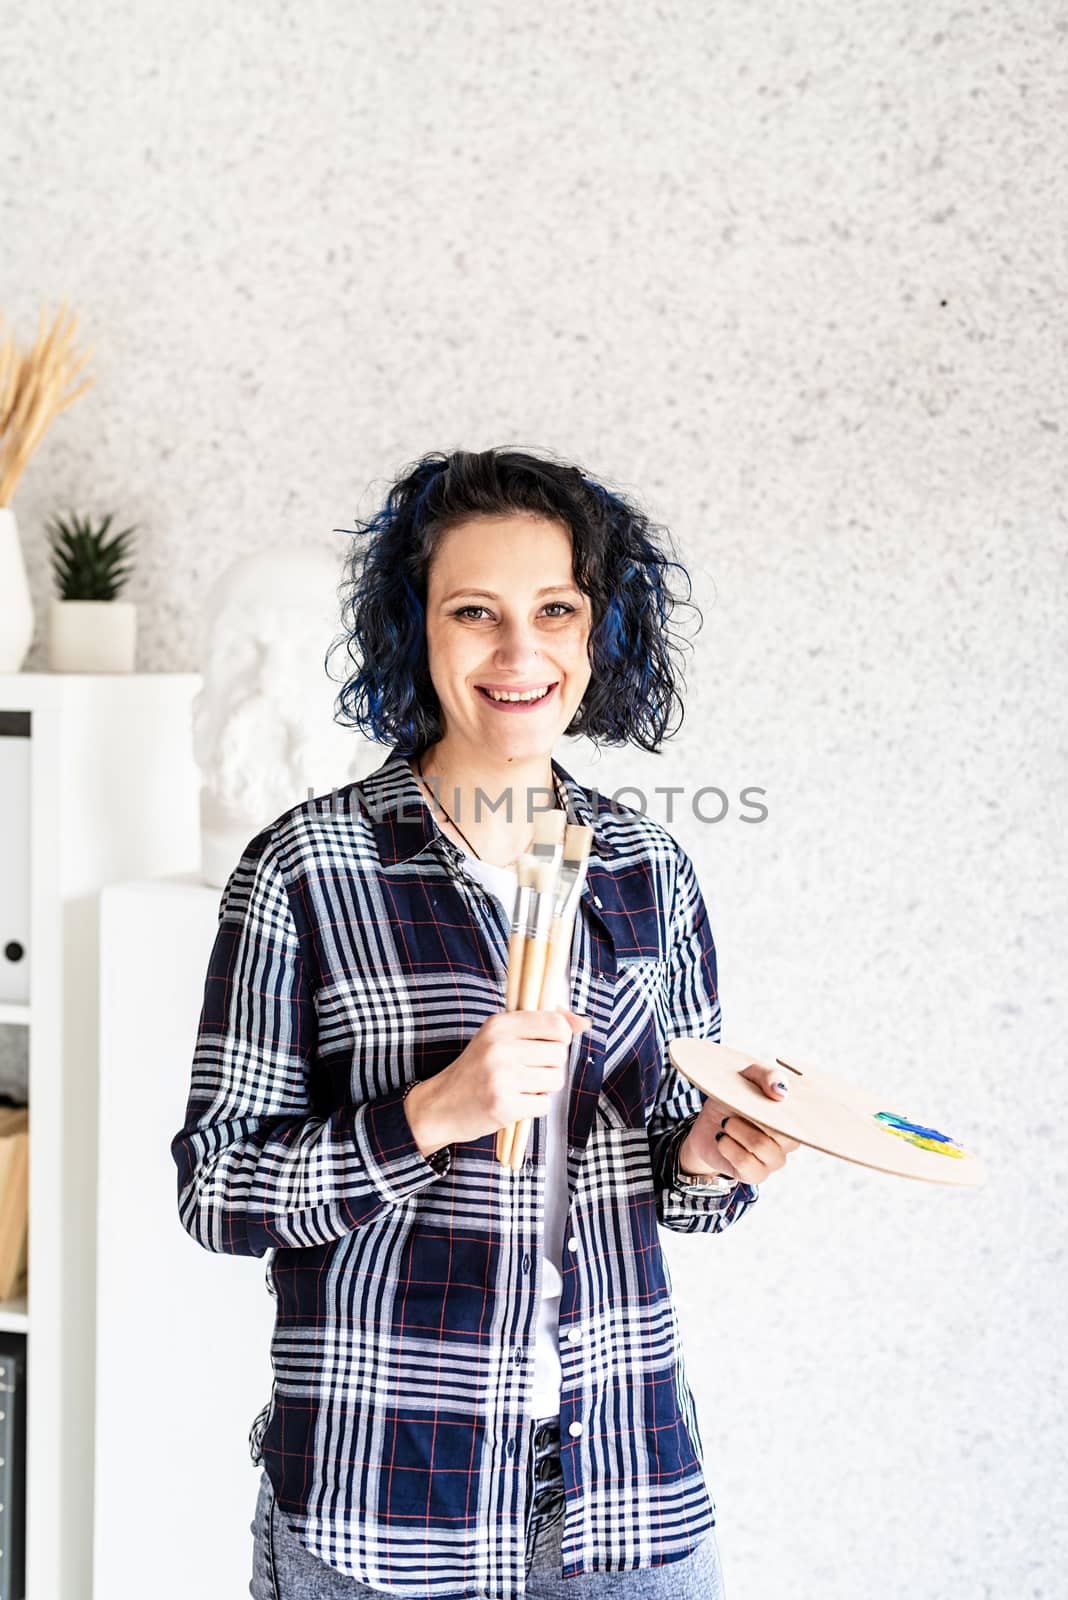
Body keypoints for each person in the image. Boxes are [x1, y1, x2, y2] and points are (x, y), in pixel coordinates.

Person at [170, 446, 799, 1600]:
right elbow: (218, 1192)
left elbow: (672, 1172)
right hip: (382, 1496)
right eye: (476, 612)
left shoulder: (649, 865)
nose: (520, 653)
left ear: (596, 633)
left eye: (555, 610)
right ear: (418, 631)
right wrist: (430, 1114)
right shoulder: (309, 868)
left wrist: (711, 1157)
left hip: (625, 1501)